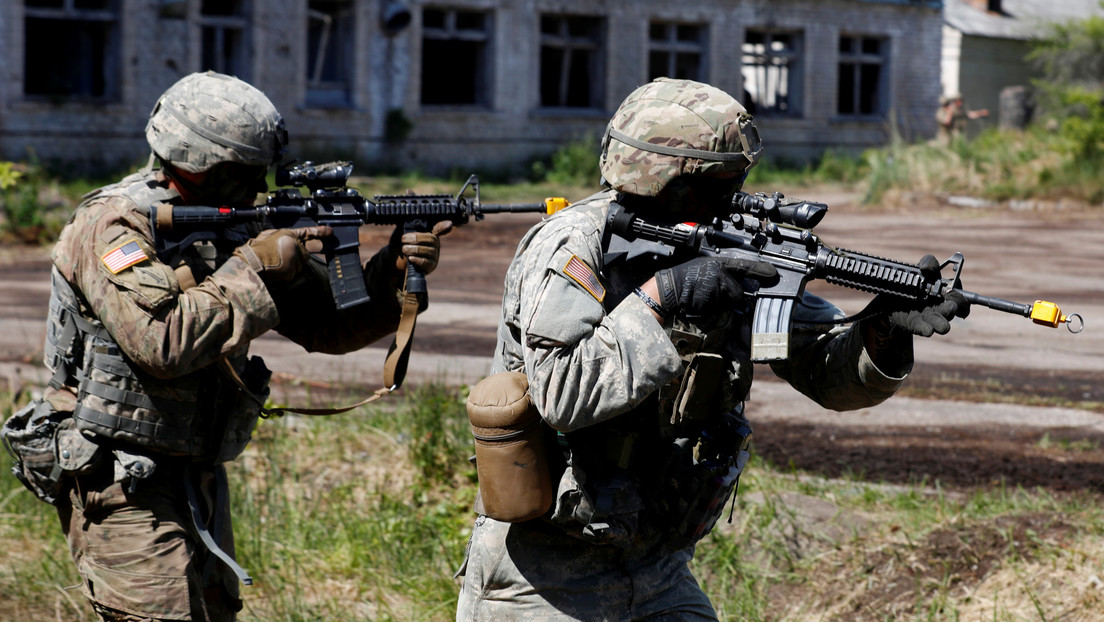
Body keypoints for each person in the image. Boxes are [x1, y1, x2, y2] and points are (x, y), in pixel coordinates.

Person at [455, 77, 969, 620]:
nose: (732, 197)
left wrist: (883, 331)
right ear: (667, 178)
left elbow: (825, 370)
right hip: (542, 580)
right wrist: (661, 298)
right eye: (718, 182)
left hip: (657, 569)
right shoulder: (575, 244)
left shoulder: (722, 246)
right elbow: (564, 394)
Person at [24, 72, 446, 621]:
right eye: (243, 172)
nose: (256, 186)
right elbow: (163, 342)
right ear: (199, 162)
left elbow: (330, 328)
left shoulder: (234, 223)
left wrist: (393, 268)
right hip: (120, 480)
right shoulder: (113, 224)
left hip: (196, 474)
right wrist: (254, 267)